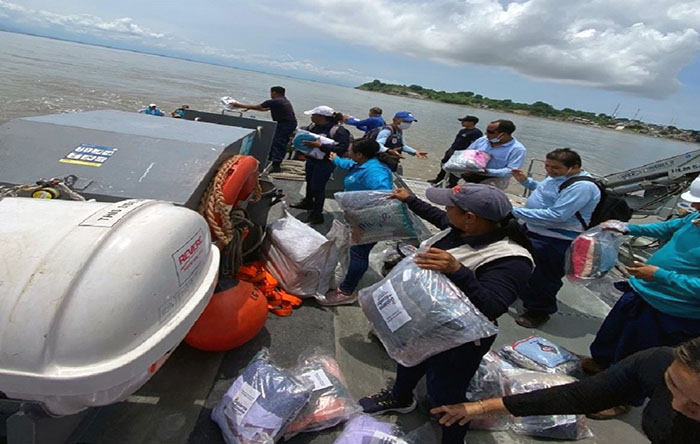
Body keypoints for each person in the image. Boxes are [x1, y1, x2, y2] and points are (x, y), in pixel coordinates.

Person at [359, 184, 534, 444]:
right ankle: (400, 397)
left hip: (461, 340)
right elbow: (437, 216)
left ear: (470, 217)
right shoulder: (458, 228)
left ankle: (452, 438)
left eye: (450, 206)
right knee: (409, 360)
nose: (445, 211)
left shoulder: (512, 259)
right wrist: (410, 200)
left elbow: (493, 307)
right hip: (426, 319)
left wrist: (458, 270)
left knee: (445, 391)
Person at [431, 337, 700, 444]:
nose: (676, 405)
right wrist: (479, 407)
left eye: (696, 406)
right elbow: (579, 396)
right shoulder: (657, 361)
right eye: (672, 384)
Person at [583, 176, 700, 382]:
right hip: (642, 292)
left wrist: (659, 275)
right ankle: (602, 363)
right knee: (613, 334)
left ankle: (620, 397)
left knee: (639, 355)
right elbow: (665, 228)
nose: (693, 205)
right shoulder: (694, 219)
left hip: (670, 311)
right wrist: (628, 228)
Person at [509, 148, 601, 328]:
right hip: (533, 230)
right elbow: (547, 191)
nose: (549, 170)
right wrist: (527, 182)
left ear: (574, 167)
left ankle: (539, 311)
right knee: (524, 264)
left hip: (556, 238)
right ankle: (523, 291)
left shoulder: (582, 187)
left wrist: (511, 210)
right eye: (547, 165)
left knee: (545, 276)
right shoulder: (558, 178)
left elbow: (557, 215)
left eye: (555, 168)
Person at [319, 139, 394, 306]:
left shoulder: (375, 172)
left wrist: (362, 220)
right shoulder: (361, 164)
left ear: (359, 154)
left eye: (350, 150)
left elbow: (384, 196)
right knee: (354, 250)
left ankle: (347, 291)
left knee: (359, 253)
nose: (348, 152)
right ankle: (349, 279)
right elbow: (347, 164)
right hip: (356, 216)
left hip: (369, 219)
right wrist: (335, 159)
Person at [289, 105, 350, 225]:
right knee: (309, 182)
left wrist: (321, 146)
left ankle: (317, 215)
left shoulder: (338, 131)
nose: (311, 117)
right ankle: (307, 202)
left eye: (313, 115)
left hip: (325, 163)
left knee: (318, 187)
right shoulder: (313, 127)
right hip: (312, 160)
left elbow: (341, 149)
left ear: (321, 117)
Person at [228, 86, 297, 172]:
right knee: (278, 141)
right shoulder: (283, 100)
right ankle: (273, 160)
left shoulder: (275, 101)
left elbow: (259, 106)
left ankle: (276, 164)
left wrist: (238, 105)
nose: (270, 95)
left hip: (285, 124)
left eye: (271, 93)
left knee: (278, 142)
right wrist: (250, 107)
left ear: (274, 93)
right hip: (288, 123)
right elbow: (265, 109)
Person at [461, 119, 526, 189]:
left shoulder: (517, 149)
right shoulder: (482, 140)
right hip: (473, 176)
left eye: (490, 132)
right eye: (486, 130)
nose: (486, 133)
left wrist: (488, 172)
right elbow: (468, 152)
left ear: (503, 134)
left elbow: (512, 170)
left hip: (495, 181)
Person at [428, 115, 483, 186]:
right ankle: (439, 179)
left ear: (471, 122)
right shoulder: (462, 130)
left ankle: (452, 184)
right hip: (453, 150)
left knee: (456, 170)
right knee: (444, 164)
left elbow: (476, 146)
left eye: (464, 121)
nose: (462, 123)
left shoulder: (476, 133)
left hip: (461, 153)